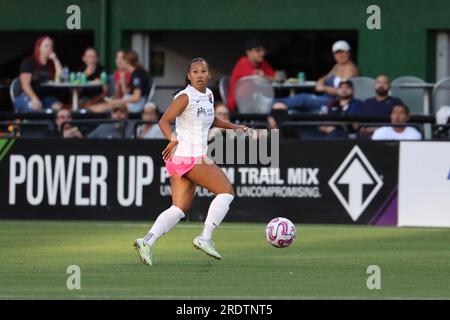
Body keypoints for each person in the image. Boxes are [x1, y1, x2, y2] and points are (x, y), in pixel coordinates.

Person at [133, 57, 249, 266]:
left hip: (182, 158)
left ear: (209, 74)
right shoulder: (185, 97)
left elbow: (211, 119)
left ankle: (146, 241)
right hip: (190, 156)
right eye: (195, 72)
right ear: (189, 75)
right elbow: (163, 121)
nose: (199, 75)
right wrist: (172, 137)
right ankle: (205, 237)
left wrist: (234, 127)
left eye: (203, 71)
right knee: (226, 192)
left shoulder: (209, 95)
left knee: (178, 209)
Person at [273, 40, 359, 114]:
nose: (340, 55)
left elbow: (344, 91)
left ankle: (274, 105)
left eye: (342, 52)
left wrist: (324, 88)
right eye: (337, 53)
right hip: (325, 97)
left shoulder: (351, 69)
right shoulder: (337, 66)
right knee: (293, 107)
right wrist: (321, 82)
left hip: (336, 102)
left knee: (304, 98)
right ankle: (276, 107)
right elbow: (324, 78)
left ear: (349, 53)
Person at [14, 35, 64, 112]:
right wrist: (35, 99)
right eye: (46, 46)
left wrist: (55, 60)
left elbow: (60, 79)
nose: (49, 48)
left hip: (45, 97)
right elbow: (25, 85)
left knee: (60, 109)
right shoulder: (29, 61)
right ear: (39, 48)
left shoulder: (51, 64)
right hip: (27, 95)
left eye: (51, 46)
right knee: (36, 109)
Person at [227, 38, 276, 113]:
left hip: (257, 102)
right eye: (258, 51)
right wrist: (264, 77)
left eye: (263, 50)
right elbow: (256, 80)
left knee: (279, 105)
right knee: (279, 106)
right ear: (248, 52)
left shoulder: (262, 63)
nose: (262, 53)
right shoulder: (243, 62)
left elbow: (275, 77)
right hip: (240, 104)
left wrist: (264, 77)